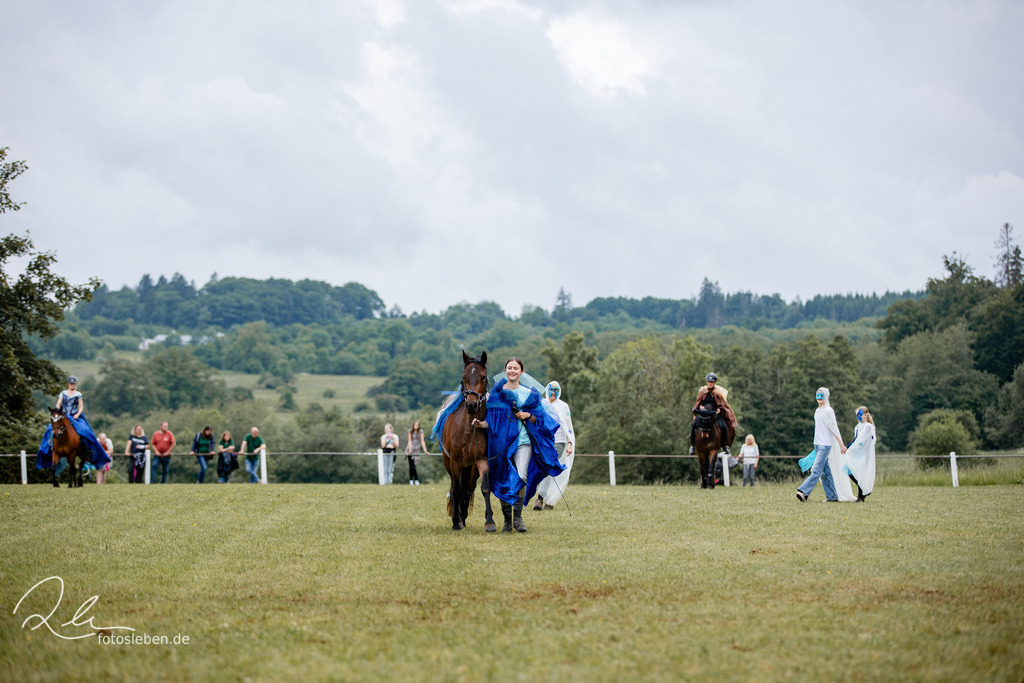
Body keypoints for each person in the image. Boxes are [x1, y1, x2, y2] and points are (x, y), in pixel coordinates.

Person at [470, 357, 564, 533]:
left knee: (522, 476)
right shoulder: (497, 394)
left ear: (521, 371)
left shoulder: (529, 394)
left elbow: (540, 418)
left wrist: (528, 416)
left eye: (515, 368)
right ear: (505, 370)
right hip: (501, 443)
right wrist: (481, 424)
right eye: (509, 368)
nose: (512, 371)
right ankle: (507, 520)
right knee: (503, 478)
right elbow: (492, 420)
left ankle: (518, 518)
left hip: (523, 442)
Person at [36, 375, 111, 478]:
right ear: (68, 384)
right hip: (63, 416)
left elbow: (81, 406)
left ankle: (88, 450)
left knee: (86, 431)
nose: (72, 385)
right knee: (50, 429)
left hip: (75, 416)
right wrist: (57, 412)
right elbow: (58, 404)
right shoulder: (63, 393)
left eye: (74, 383)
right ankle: (46, 448)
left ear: (75, 384)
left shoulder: (78, 394)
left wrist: (77, 414)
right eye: (71, 383)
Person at [796, 387, 854, 502]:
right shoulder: (817, 411)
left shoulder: (828, 411)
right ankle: (832, 496)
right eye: (817, 396)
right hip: (817, 444)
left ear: (826, 397)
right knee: (825, 472)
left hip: (825, 445)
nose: (819, 398)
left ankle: (804, 491)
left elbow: (834, 428)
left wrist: (841, 444)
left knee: (816, 469)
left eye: (822, 396)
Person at [534, 380, 576, 510]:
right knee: (544, 469)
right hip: (545, 441)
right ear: (547, 390)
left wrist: (569, 443)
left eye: (556, 390)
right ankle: (542, 497)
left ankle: (542, 499)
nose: (553, 393)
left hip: (559, 441)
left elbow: (568, 426)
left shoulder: (563, 406)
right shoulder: (542, 404)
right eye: (551, 390)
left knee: (551, 465)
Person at [689, 373, 737, 456]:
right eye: (709, 381)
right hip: (704, 414)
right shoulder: (702, 391)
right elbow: (698, 402)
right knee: (694, 425)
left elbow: (721, 404)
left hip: (714, 414)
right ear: (707, 382)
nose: (710, 383)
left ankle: (725, 445)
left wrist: (719, 409)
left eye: (712, 382)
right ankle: (693, 446)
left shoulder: (717, 392)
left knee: (724, 426)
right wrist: (700, 407)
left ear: (714, 382)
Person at [844, 406, 877, 502]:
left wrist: (852, 449)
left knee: (860, 473)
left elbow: (861, 441)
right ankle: (864, 490)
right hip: (857, 453)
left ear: (865, 415)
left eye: (859, 415)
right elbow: (855, 439)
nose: (857, 417)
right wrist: (847, 447)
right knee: (849, 470)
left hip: (864, 454)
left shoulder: (868, 427)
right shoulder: (858, 427)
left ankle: (861, 495)